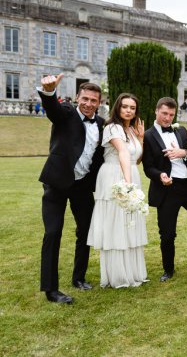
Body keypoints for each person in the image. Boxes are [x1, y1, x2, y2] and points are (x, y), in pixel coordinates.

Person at [37, 74, 104, 304]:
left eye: (93, 100)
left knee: (86, 231)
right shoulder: (66, 113)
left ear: (99, 102)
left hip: (82, 186)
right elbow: (52, 110)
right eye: (84, 99)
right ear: (77, 98)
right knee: (53, 232)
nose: (88, 104)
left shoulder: (101, 124)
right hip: (57, 182)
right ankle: (51, 289)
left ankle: (79, 277)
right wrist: (49, 93)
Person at [142, 97, 187, 282]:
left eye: (171, 114)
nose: (167, 118)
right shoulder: (148, 136)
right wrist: (160, 176)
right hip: (167, 188)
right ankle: (168, 270)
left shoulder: (181, 130)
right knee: (167, 233)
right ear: (156, 111)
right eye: (164, 113)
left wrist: (184, 152)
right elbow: (148, 167)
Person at [87, 93, 148, 288]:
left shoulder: (131, 130)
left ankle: (133, 271)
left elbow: (136, 159)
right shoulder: (112, 127)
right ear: (117, 108)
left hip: (130, 173)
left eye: (132, 107)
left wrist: (140, 138)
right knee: (116, 223)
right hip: (115, 176)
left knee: (129, 223)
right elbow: (122, 152)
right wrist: (128, 185)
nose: (129, 110)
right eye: (125, 106)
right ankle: (118, 275)